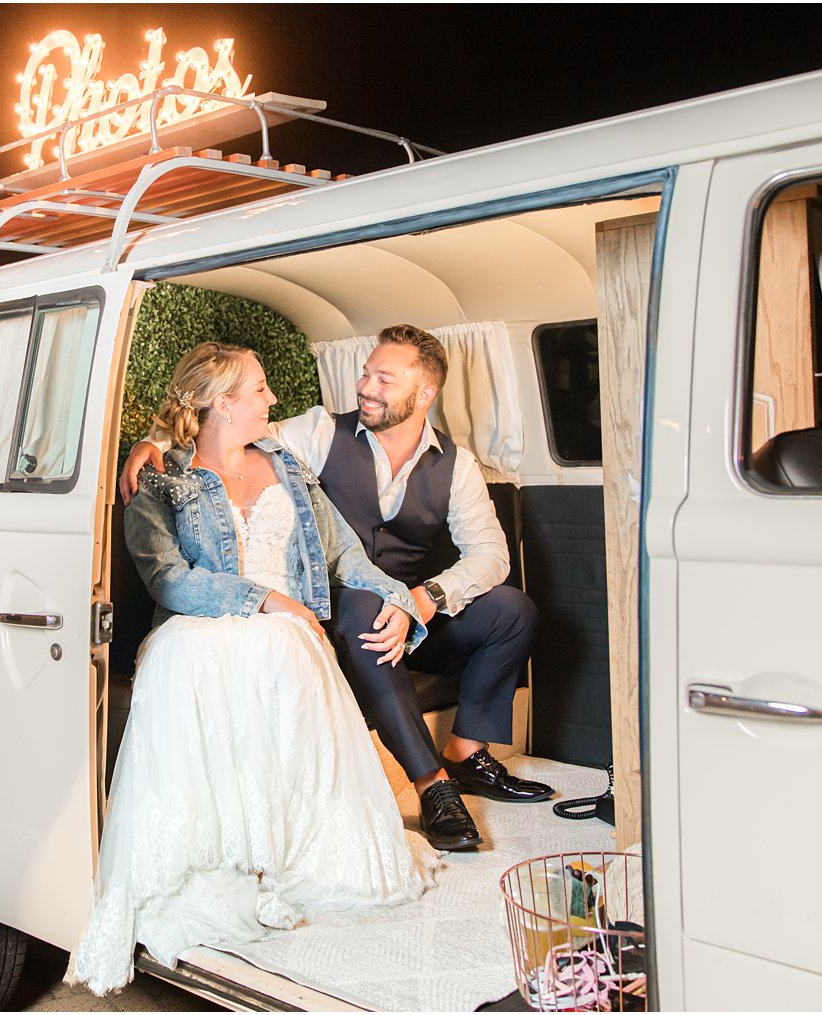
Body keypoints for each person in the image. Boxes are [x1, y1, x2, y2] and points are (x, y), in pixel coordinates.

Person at [70, 342, 439, 997]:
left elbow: (343, 555)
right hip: (205, 618)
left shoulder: (287, 466)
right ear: (222, 404)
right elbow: (169, 581)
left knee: (288, 643)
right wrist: (261, 598)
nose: (273, 400)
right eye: (261, 388)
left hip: (284, 626)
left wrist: (402, 597)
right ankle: (225, 864)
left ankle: (285, 856)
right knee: (201, 649)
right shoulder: (162, 480)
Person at [121, 324, 553, 854]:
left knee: (513, 610)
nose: (365, 387)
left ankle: (465, 754)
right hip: (333, 603)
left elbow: (490, 555)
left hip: (398, 601)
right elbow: (215, 429)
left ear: (424, 395)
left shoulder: (457, 466)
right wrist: (152, 443)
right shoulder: (316, 433)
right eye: (365, 372)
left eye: (383, 379)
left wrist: (420, 600)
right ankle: (430, 784)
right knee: (367, 610)